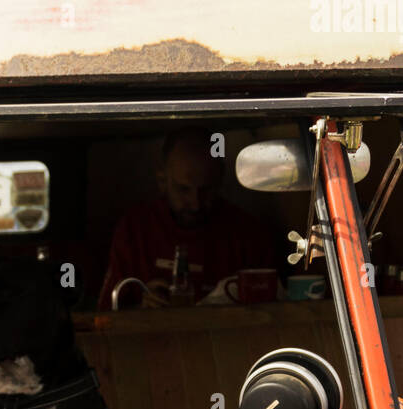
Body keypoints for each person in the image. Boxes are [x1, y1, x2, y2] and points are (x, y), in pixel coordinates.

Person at [98, 127, 276, 310]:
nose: (195, 203)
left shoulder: (249, 236)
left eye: (206, 190)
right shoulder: (134, 231)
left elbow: (272, 316)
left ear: (220, 179)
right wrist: (141, 310)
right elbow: (106, 317)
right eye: (183, 189)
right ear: (162, 180)